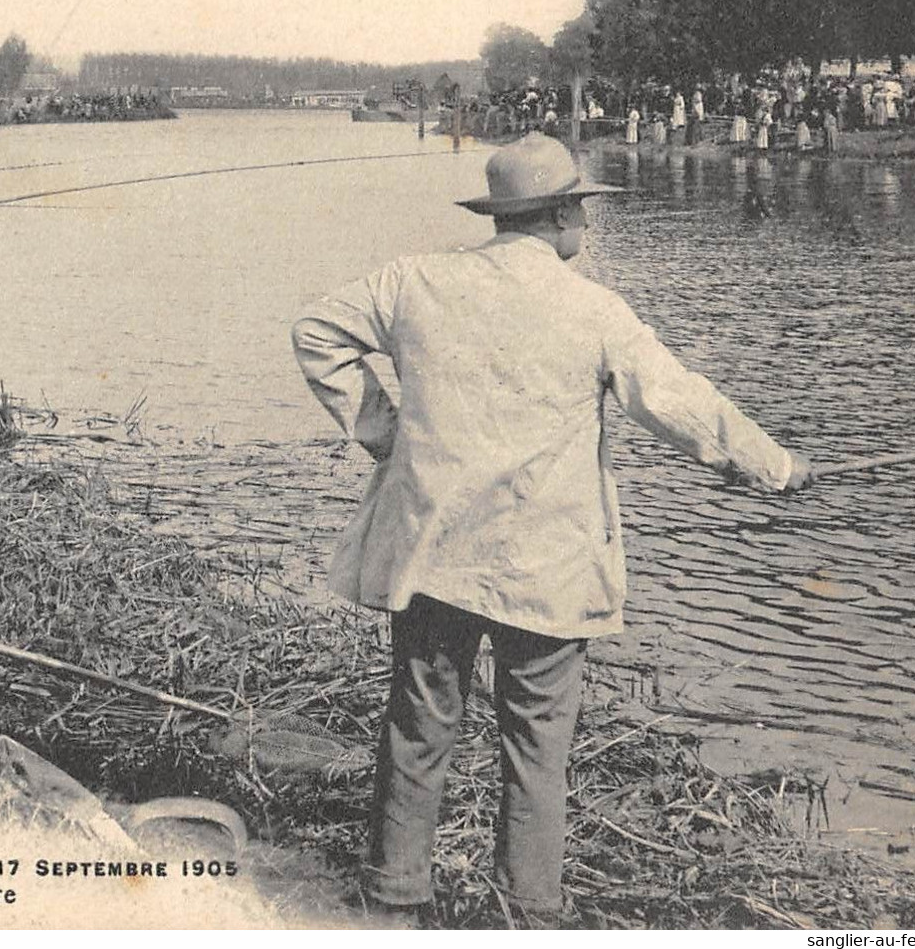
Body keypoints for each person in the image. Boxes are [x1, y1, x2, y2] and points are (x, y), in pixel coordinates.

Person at [292, 134, 812, 926]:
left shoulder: (414, 280)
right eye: (582, 211)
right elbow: (676, 402)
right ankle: (526, 916)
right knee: (536, 751)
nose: (585, 227)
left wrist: (386, 435)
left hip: (432, 552)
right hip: (545, 566)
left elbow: (316, 333)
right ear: (564, 214)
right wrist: (771, 466)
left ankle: (394, 898)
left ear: (501, 216)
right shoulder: (593, 309)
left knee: (419, 722)